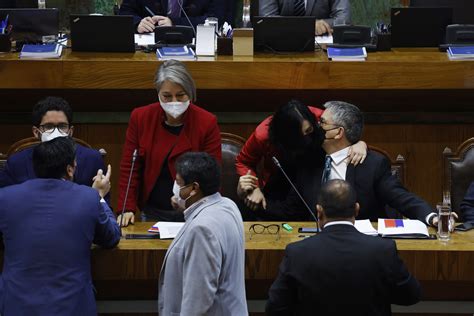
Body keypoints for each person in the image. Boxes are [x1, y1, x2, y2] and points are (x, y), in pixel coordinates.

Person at [0, 137, 120, 315]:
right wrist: (100, 196)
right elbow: (110, 237)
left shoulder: (5, 197)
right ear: (70, 169)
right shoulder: (88, 197)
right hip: (72, 305)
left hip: (17, 304)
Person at [266, 179, 422, 315]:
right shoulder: (383, 250)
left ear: (319, 211)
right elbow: (411, 295)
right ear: (356, 209)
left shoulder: (297, 252)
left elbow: (275, 307)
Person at [264, 101, 436, 223]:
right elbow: (291, 210)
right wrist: (254, 202)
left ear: (338, 133)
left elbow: (402, 198)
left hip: (360, 247)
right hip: (316, 247)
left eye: (322, 122)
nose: (316, 125)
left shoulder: (372, 165)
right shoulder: (309, 163)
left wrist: (433, 217)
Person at [118, 60, 221, 226]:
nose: (174, 101)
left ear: (190, 92)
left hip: (194, 212)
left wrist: (188, 201)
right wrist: (126, 208)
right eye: (167, 96)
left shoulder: (206, 122)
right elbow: (129, 168)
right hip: (152, 211)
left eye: (180, 95)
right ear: (158, 94)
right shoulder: (141, 118)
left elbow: (212, 176)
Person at [236, 99, 367, 219]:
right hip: (280, 176)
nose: (306, 137)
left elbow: (343, 132)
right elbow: (243, 162)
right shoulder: (263, 135)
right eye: (299, 135)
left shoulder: (319, 117)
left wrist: (359, 143)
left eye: (309, 130)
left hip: (312, 170)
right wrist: (255, 188)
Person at [158, 152, 247, 315]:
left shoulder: (202, 229)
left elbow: (197, 301)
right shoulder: (228, 205)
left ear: (194, 188)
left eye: (178, 183)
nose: (175, 188)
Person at [0, 96, 106, 189]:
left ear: (70, 131)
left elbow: (104, 204)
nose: (56, 132)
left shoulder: (92, 159)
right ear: (36, 132)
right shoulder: (17, 162)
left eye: (62, 126)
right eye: (49, 126)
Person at [119, 0, 234, 33]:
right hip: (147, 49)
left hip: (197, 49)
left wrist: (174, 23)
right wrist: (137, 24)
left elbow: (216, 20)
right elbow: (126, 12)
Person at [259, 0, 350, 35]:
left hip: (321, 49)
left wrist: (321, 25)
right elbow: (267, 20)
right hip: (279, 48)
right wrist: (308, 26)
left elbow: (344, 20)